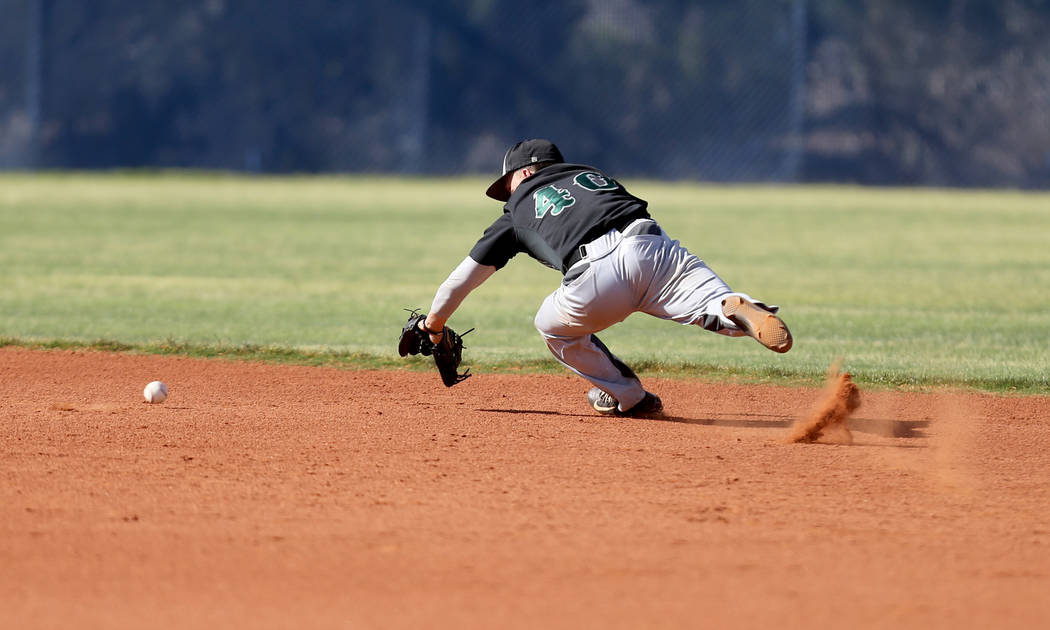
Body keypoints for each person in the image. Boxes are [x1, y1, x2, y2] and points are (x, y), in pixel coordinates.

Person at [417, 139, 792, 418]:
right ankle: (738, 308)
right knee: (712, 306)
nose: (507, 193)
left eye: (508, 183)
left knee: (552, 326)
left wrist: (433, 326)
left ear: (528, 172)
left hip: (595, 275)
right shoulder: (591, 175)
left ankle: (628, 396)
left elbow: (460, 282)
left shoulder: (518, 207)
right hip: (652, 246)